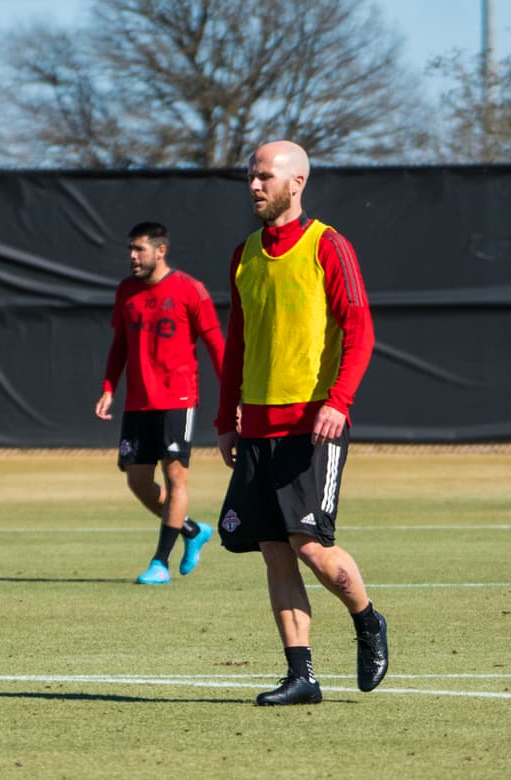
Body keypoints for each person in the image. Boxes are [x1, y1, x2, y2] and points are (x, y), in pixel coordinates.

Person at [215, 140, 388, 705]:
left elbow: (359, 330)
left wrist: (338, 401)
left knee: (311, 546)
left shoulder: (328, 245)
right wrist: (225, 417)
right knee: (273, 549)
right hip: (257, 427)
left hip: (313, 425)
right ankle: (301, 675)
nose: (255, 186)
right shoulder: (244, 254)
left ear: (298, 182)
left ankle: (367, 620)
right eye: (251, 177)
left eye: (265, 176)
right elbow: (236, 344)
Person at [96, 222, 225, 584]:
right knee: (137, 481)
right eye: (130, 250)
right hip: (138, 403)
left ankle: (160, 563)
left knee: (174, 477)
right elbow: (120, 343)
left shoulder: (189, 289)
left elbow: (216, 344)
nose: (133, 257)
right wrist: (109, 387)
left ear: (160, 250)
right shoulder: (126, 291)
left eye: (139, 249)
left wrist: (234, 396)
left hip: (177, 399)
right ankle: (192, 530)